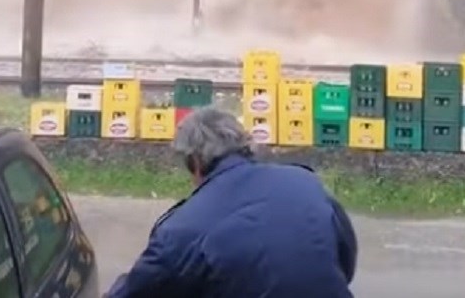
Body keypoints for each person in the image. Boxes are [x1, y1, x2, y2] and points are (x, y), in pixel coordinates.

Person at [104, 106, 358, 298]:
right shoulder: (304, 182)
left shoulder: (182, 230)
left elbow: (137, 290)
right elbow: (346, 258)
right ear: (244, 144)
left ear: (194, 163)